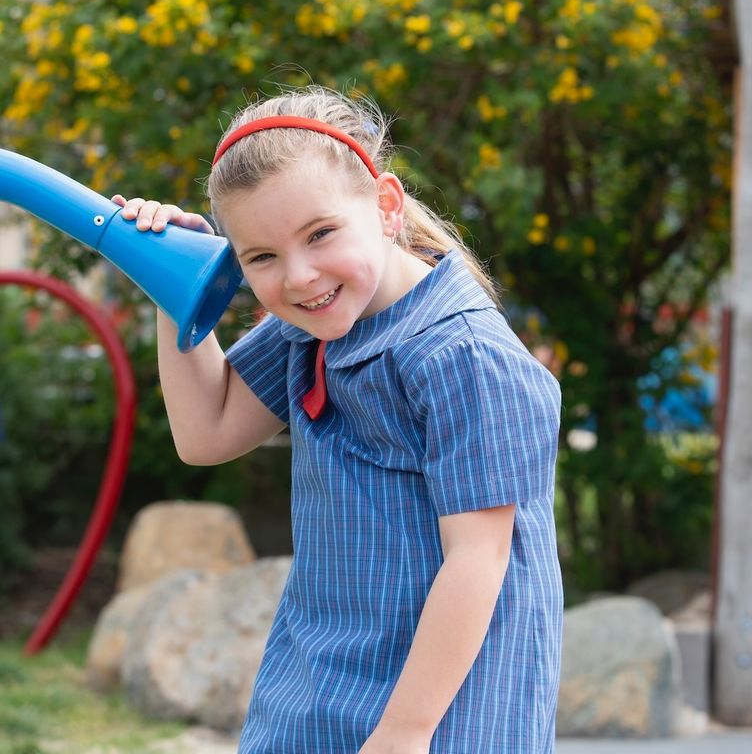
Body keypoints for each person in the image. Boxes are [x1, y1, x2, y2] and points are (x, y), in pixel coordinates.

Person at [113, 85, 563, 754]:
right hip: (316, 698)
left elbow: (480, 558)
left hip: (441, 716)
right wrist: (169, 283)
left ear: (385, 206)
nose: (298, 277)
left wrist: (403, 735)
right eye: (260, 257)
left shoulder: (463, 354)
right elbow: (205, 434)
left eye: (320, 234)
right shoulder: (314, 326)